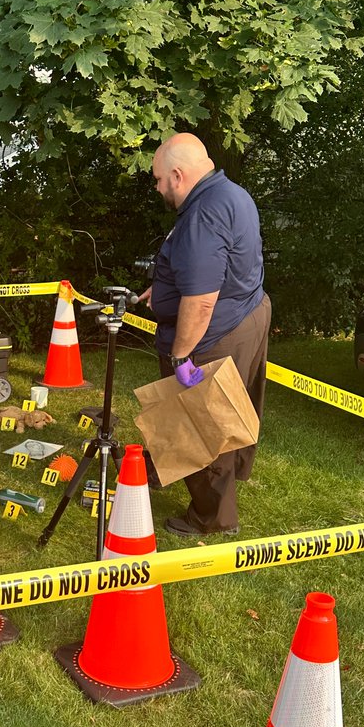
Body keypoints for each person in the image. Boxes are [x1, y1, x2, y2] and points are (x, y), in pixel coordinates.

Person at [143, 132, 272, 538]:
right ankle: (183, 472)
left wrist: (182, 356)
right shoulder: (231, 193)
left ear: (178, 175)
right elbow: (220, 267)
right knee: (231, 408)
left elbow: (200, 301)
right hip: (246, 312)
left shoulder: (201, 215)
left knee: (203, 422)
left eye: (159, 180)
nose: (158, 188)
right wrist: (162, 290)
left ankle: (212, 517)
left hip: (214, 331)